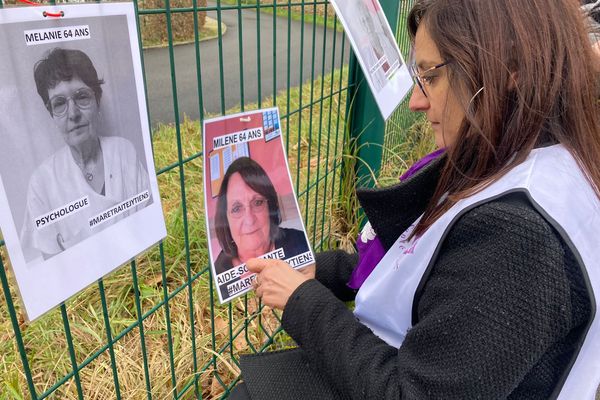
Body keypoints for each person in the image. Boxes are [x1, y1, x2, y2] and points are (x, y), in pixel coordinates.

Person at [230, 0, 600, 399]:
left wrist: (302, 303)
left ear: (506, 71)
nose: (416, 102)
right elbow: (425, 267)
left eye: (431, 76)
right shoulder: (536, 161)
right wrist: (320, 270)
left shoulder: (520, 236)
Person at [21, 48, 150, 260]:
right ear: (51, 113)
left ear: (97, 100)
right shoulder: (41, 183)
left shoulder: (124, 151)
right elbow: (55, 268)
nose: (73, 114)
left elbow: (146, 228)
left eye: (81, 97)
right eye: (59, 103)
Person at [213, 156, 309, 275]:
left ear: (270, 206)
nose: (249, 220)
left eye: (258, 202)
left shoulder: (299, 242)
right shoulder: (221, 270)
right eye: (236, 208)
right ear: (225, 218)